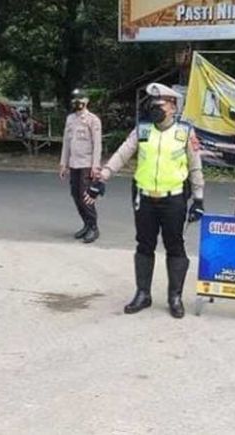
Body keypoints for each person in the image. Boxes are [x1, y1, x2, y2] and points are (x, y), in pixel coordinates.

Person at [85, 82, 205, 319]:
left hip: (174, 199)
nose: (154, 108)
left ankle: (175, 296)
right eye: (151, 103)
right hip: (145, 198)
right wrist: (103, 177)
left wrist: (198, 199)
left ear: (172, 106)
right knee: (144, 245)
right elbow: (122, 153)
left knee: (175, 246)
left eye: (158, 104)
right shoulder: (142, 130)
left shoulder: (185, 132)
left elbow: (195, 167)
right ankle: (143, 294)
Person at [59, 89, 102, 243]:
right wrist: (63, 163)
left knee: (86, 197)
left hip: (87, 164)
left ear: (86, 101)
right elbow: (66, 142)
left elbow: (97, 145)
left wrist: (95, 166)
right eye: (75, 100)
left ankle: (94, 227)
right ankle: (86, 224)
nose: (77, 103)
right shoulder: (70, 119)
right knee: (76, 196)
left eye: (80, 99)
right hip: (74, 163)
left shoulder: (93, 120)